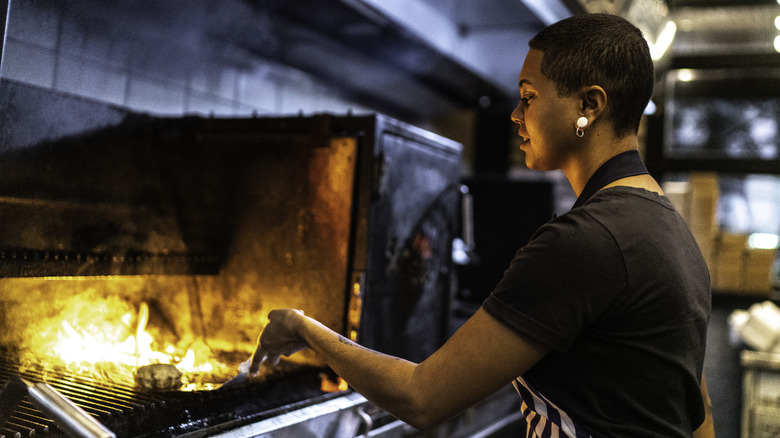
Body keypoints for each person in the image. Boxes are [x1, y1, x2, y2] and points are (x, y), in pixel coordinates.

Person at [249, 13, 715, 438]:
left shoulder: (587, 241)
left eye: (529, 97)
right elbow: (700, 415)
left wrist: (304, 328)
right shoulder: (672, 233)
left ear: (589, 105)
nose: (516, 114)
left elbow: (422, 397)